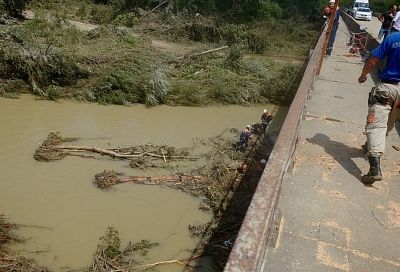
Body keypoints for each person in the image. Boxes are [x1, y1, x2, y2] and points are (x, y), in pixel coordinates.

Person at [357, 32, 400, 184]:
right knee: (389, 123)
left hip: (388, 88)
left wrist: (363, 75)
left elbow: (373, 60)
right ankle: (369, 145)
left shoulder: (394, 38)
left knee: (376, 126)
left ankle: (374, 168)